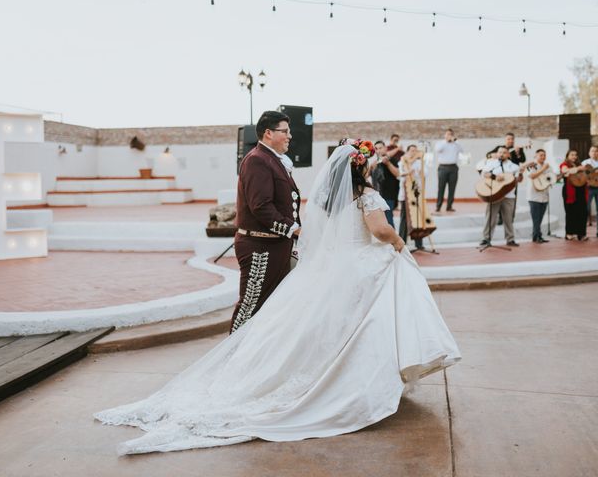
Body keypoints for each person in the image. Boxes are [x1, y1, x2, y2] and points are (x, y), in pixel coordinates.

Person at [94, 141, 461, 455]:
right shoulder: (366, 195)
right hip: (363, 265)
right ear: (362, 169)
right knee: (371, 322)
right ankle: (363, 381)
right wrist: (399, 246)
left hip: (333, 266)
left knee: (318, 325)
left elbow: (320, 237)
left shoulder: (325, 203)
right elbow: (380, 229)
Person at [229, 110, 301, 333]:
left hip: (276, 245)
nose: (289, 136)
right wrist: (293, 229)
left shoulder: (273, 160)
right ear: (268, 133)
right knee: (250, 306)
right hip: (259, 247)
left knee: (274, 307)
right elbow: (261, 207)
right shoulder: (257, 161)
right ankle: (232, 356)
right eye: (285, 131)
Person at [479, 146, 525, 247]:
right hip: (494, 194)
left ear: (508, 155)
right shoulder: (491, 163)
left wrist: (521, 173)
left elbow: (519, 180)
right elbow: (484, 174)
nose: (501, 154)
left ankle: (510, 239)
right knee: (490, 218)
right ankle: (486, 239)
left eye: (504, 153)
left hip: (509, 195)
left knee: (508, 219)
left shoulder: (513, 166)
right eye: (500, 152)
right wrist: (494, 176)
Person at [397, 145, 425, 250]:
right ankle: (401, 241)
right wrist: (407, 172)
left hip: (416, 193)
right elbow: (399, 174)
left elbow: (424, 174)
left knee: (417, 217)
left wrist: (418, 166)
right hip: (405, 193)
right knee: (404, 217)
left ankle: (419, 243)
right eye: (411, 150)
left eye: (415, 151)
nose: (413, 153)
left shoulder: (419, 163)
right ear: (407, 151)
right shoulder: (402, 161)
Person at [526, 149, 555, 243]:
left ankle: (537, 236)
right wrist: (543, 169)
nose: (543, 157)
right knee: (536, 218)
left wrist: (552, 180)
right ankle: (537, 236)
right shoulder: (531, 165)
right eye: (541, 155)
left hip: (544, 195)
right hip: (534, 195)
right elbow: (532, 176)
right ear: (536, 156)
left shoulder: (548, 166)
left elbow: (551, 177)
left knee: (540, 218)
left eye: (544, 155)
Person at [371, 139, 401, 228]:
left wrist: (388, 164)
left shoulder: (392, 160)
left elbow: (398, 174)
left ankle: (394, 241)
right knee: (380, 220)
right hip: (377, 195)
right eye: (376, 149)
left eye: (380, 148)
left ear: (385, 148)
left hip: (389, 195)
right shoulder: (375, 163)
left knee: (389, 220)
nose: (378, 150)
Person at [560, 149, 589, 241]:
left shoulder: (580, 165)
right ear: (567, 156)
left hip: (581, 191)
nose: (574, 156)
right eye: (572, 155)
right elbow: (565, 171)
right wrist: (578, 169)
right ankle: (569, 233)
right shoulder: (564, 164)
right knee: (570, 212)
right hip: (570, 192)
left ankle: (581, 234)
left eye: (575, 155)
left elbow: (587, 174)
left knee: (582, 212)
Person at [434, 128, 463, 212]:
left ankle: (449, 206)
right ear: (445, 135)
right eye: (447, 134)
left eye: (451, 134)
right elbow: (437, 150)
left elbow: (462, 150)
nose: (449, 136)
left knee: (452, 188)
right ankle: (438, 206)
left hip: (453, 167)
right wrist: (447, 141)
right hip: (442, 168)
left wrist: (455, 142)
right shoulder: (440, 143)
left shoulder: (456, 143)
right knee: (441, 187)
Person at [581, 145, 598, 234]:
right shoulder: (585, 162)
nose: (594, 153)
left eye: (596, 151)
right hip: (588, 188)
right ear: (589, 153)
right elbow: (582, 174)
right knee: (585, 208)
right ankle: (582, 231)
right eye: (592, 151)